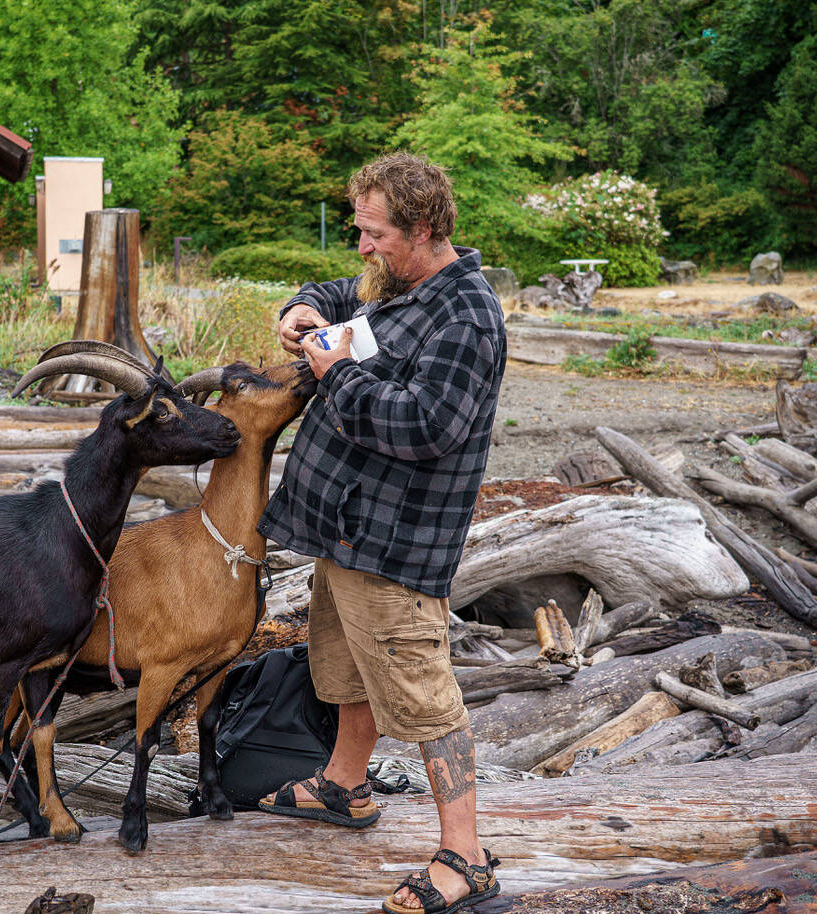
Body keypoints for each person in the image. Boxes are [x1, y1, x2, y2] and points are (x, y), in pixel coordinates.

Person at [256, 151, 507, 914]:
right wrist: (303, 310)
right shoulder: (401, 281)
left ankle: (466, 857)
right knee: (348, 665)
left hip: (396, 542)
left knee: (425, 695)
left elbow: (426, 426)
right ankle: (343, 787)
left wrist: (337, 373)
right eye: (360, 231)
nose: (362, 248)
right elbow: (342, 294)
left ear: (424, 228)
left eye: (375, 233)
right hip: (347, 529)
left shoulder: (466, 318)